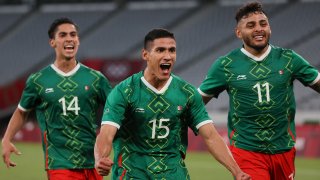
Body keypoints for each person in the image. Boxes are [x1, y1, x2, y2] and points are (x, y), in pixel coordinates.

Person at [94, 28, 251, 180]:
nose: (168, 56)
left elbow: (210, 136)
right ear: (145, 55)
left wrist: (236, 171)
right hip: (132, 175)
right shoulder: (124, 92)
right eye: (160, 50)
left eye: (172, 50)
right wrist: (101, 158)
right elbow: (106, 134)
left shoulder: (187, 93)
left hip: (173, 174)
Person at [198, 2, 320, 180]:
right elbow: (196, 102)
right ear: (239, 33)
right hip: (246, 151)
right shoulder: (226, 65)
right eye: (251, 25)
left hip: (284, 150)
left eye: (263, 23)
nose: (259, 29)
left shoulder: (288, 59)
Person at [1, 17, 112, 180]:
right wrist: (7, 139)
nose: (69, 39)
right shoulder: (38, 80)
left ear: (78, 40)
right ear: (52, 42)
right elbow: (22, 112)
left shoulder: (96, 79)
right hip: (59, 163)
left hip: (92, 162)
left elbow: (115, 111)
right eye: (63, 35)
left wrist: (110, 146)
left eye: (73, 35)